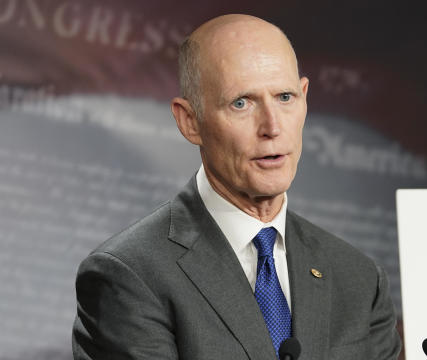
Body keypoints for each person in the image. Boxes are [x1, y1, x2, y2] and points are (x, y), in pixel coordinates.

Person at [72, 14, 401, 360]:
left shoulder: (359, 280)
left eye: (285, 97)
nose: (272, 127)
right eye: (241, 103)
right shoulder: (128, 277)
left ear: (305, 98)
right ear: (190, 121)